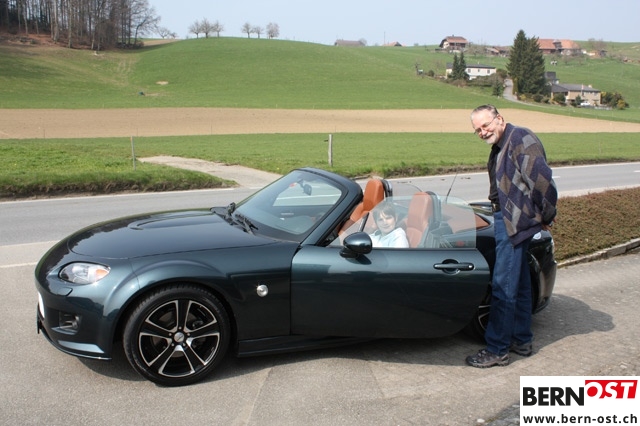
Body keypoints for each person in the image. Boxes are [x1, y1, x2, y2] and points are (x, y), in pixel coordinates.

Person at [466, 104, 557, 368]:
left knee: (502, 285)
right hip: (508, 219)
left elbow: (543, 182)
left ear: (499, 119)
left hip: (513, 222)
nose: (483, 132)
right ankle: (521, 339)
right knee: (520, 284)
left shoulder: (520, 139)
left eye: (486, 125)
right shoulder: (501, 144)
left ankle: (497, 349)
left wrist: (547, 215)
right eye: (477, 130)